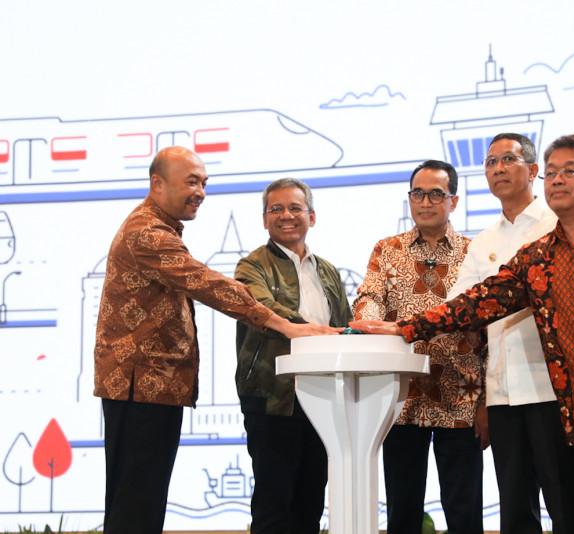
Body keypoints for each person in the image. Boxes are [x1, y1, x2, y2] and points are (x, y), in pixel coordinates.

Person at [352, 135, 574, 534]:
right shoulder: (539, 256)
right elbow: (478, 301)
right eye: (552, 173)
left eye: (570, 171)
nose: (557, 180)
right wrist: (404, 327)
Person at [94, 147, 338, 534]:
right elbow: (206, 283)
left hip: (153, 387)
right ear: (158, 183)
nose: (201, 192)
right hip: (141, 385)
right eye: (191, 182)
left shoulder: (161, 228)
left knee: (141, 499)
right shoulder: (148, 233)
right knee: (136, 503)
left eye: (204, 183)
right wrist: (284, 325)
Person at [447, 133, 574, 534]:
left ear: (533, 170)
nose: (498, 169)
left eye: (508, 159)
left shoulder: (557, 224)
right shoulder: (484, 241)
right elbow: (459, 307)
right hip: (503, 394)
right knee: (515, 510)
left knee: (565, 505)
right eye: (491, 162)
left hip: (553, 390)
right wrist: (400, 328)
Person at [352, 160, 487, 534]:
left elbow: (492, 328)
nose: (425, 202)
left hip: (462, 397)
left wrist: (488, 402)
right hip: (400, 397)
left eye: (436, 194)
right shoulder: (387, 249)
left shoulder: (475, 252)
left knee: (464, 512)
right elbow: (370, 296)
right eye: (418, 193)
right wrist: (368, 321)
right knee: (402, 512)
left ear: (453, 200)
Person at [234, 178, 352, 534]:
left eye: (295, 208)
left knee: (309, 505)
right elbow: (264, 308)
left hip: (324, 397)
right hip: (272, 397)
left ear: (311, 216)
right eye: (276, 209)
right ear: (265, 219)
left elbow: (344, 326)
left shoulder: (328, 271)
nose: (286, 215)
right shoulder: (251, 266)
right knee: (273, 507)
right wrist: (314, 332)